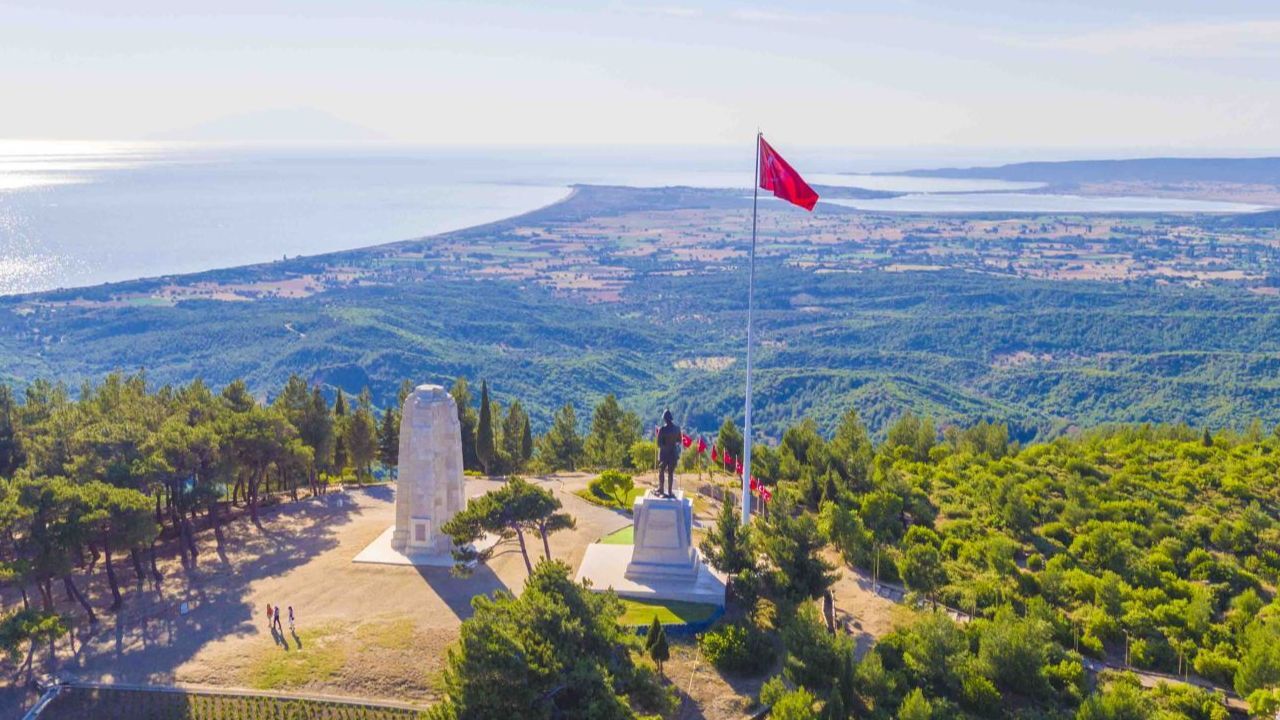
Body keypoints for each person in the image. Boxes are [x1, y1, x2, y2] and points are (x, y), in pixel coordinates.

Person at [655, 409, 681, 497]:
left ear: (665, 419)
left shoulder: (662, 430)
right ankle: (670, 491)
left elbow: (658, 444)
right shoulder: (677, 429)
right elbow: (679, 441)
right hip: (673, 454)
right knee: (670, 473)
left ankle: (661, 489)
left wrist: (665, 446)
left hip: (664, 454)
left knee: (661, 471)